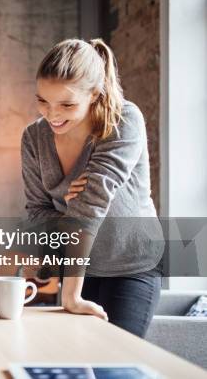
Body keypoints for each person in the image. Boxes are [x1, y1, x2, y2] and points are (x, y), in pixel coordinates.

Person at [21, 38, 163, 337]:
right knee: (77, 360)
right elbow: (37, 212)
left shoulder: (123, 120)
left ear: (95, 95)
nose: (52, 114)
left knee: (115, 361)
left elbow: (89, 208)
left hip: (132, 265)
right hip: (81, 266)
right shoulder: (34, 138)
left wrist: (71, 296)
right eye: (43, 100)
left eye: (67, 104)